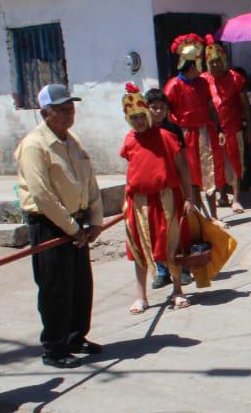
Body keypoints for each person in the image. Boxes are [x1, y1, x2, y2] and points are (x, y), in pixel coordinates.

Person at [15, 84, 104, 369]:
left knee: (80, 285)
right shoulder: (34, 145)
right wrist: (71, 228)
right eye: (63, 110)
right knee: (55, 287)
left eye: (71, 108)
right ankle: (55, 347)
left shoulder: (72, 141)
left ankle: (76, 337)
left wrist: (95, 220)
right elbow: (42, 195)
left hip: (76, 221)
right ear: (45, 113)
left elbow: (89, 181)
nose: (69, 114)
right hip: (50, 224)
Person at [119, 83, 195, 314]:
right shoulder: (129, 139)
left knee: (170, 246)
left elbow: (182, 167)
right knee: (139, 249)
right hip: (138, 202)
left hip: (166, 199)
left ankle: (178, 290)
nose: (140, 121)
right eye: (135, 117)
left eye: (142, 116)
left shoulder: (166, 136)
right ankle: (141, 296)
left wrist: (188, 197)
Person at [163, 34, 226, 214]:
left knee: (209, 173)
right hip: (184, 135)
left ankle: (213, 214)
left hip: (204, 133)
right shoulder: (173, 85)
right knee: (191, 177)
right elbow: (166, 111)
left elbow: (210, 106)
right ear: (192, 66)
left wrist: (219, 127)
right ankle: (199, 215)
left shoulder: (203, 83)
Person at [200, 36, 249, 216]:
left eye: (218, 62)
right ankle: (221, 195)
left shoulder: (235, 77)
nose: (215, 66)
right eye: (212, 62)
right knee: (217, 164)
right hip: (212, 131)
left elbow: (245, 104)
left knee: (235, 163)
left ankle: (236, 198)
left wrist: (249, 126)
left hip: (233, 128)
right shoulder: (203, 80)